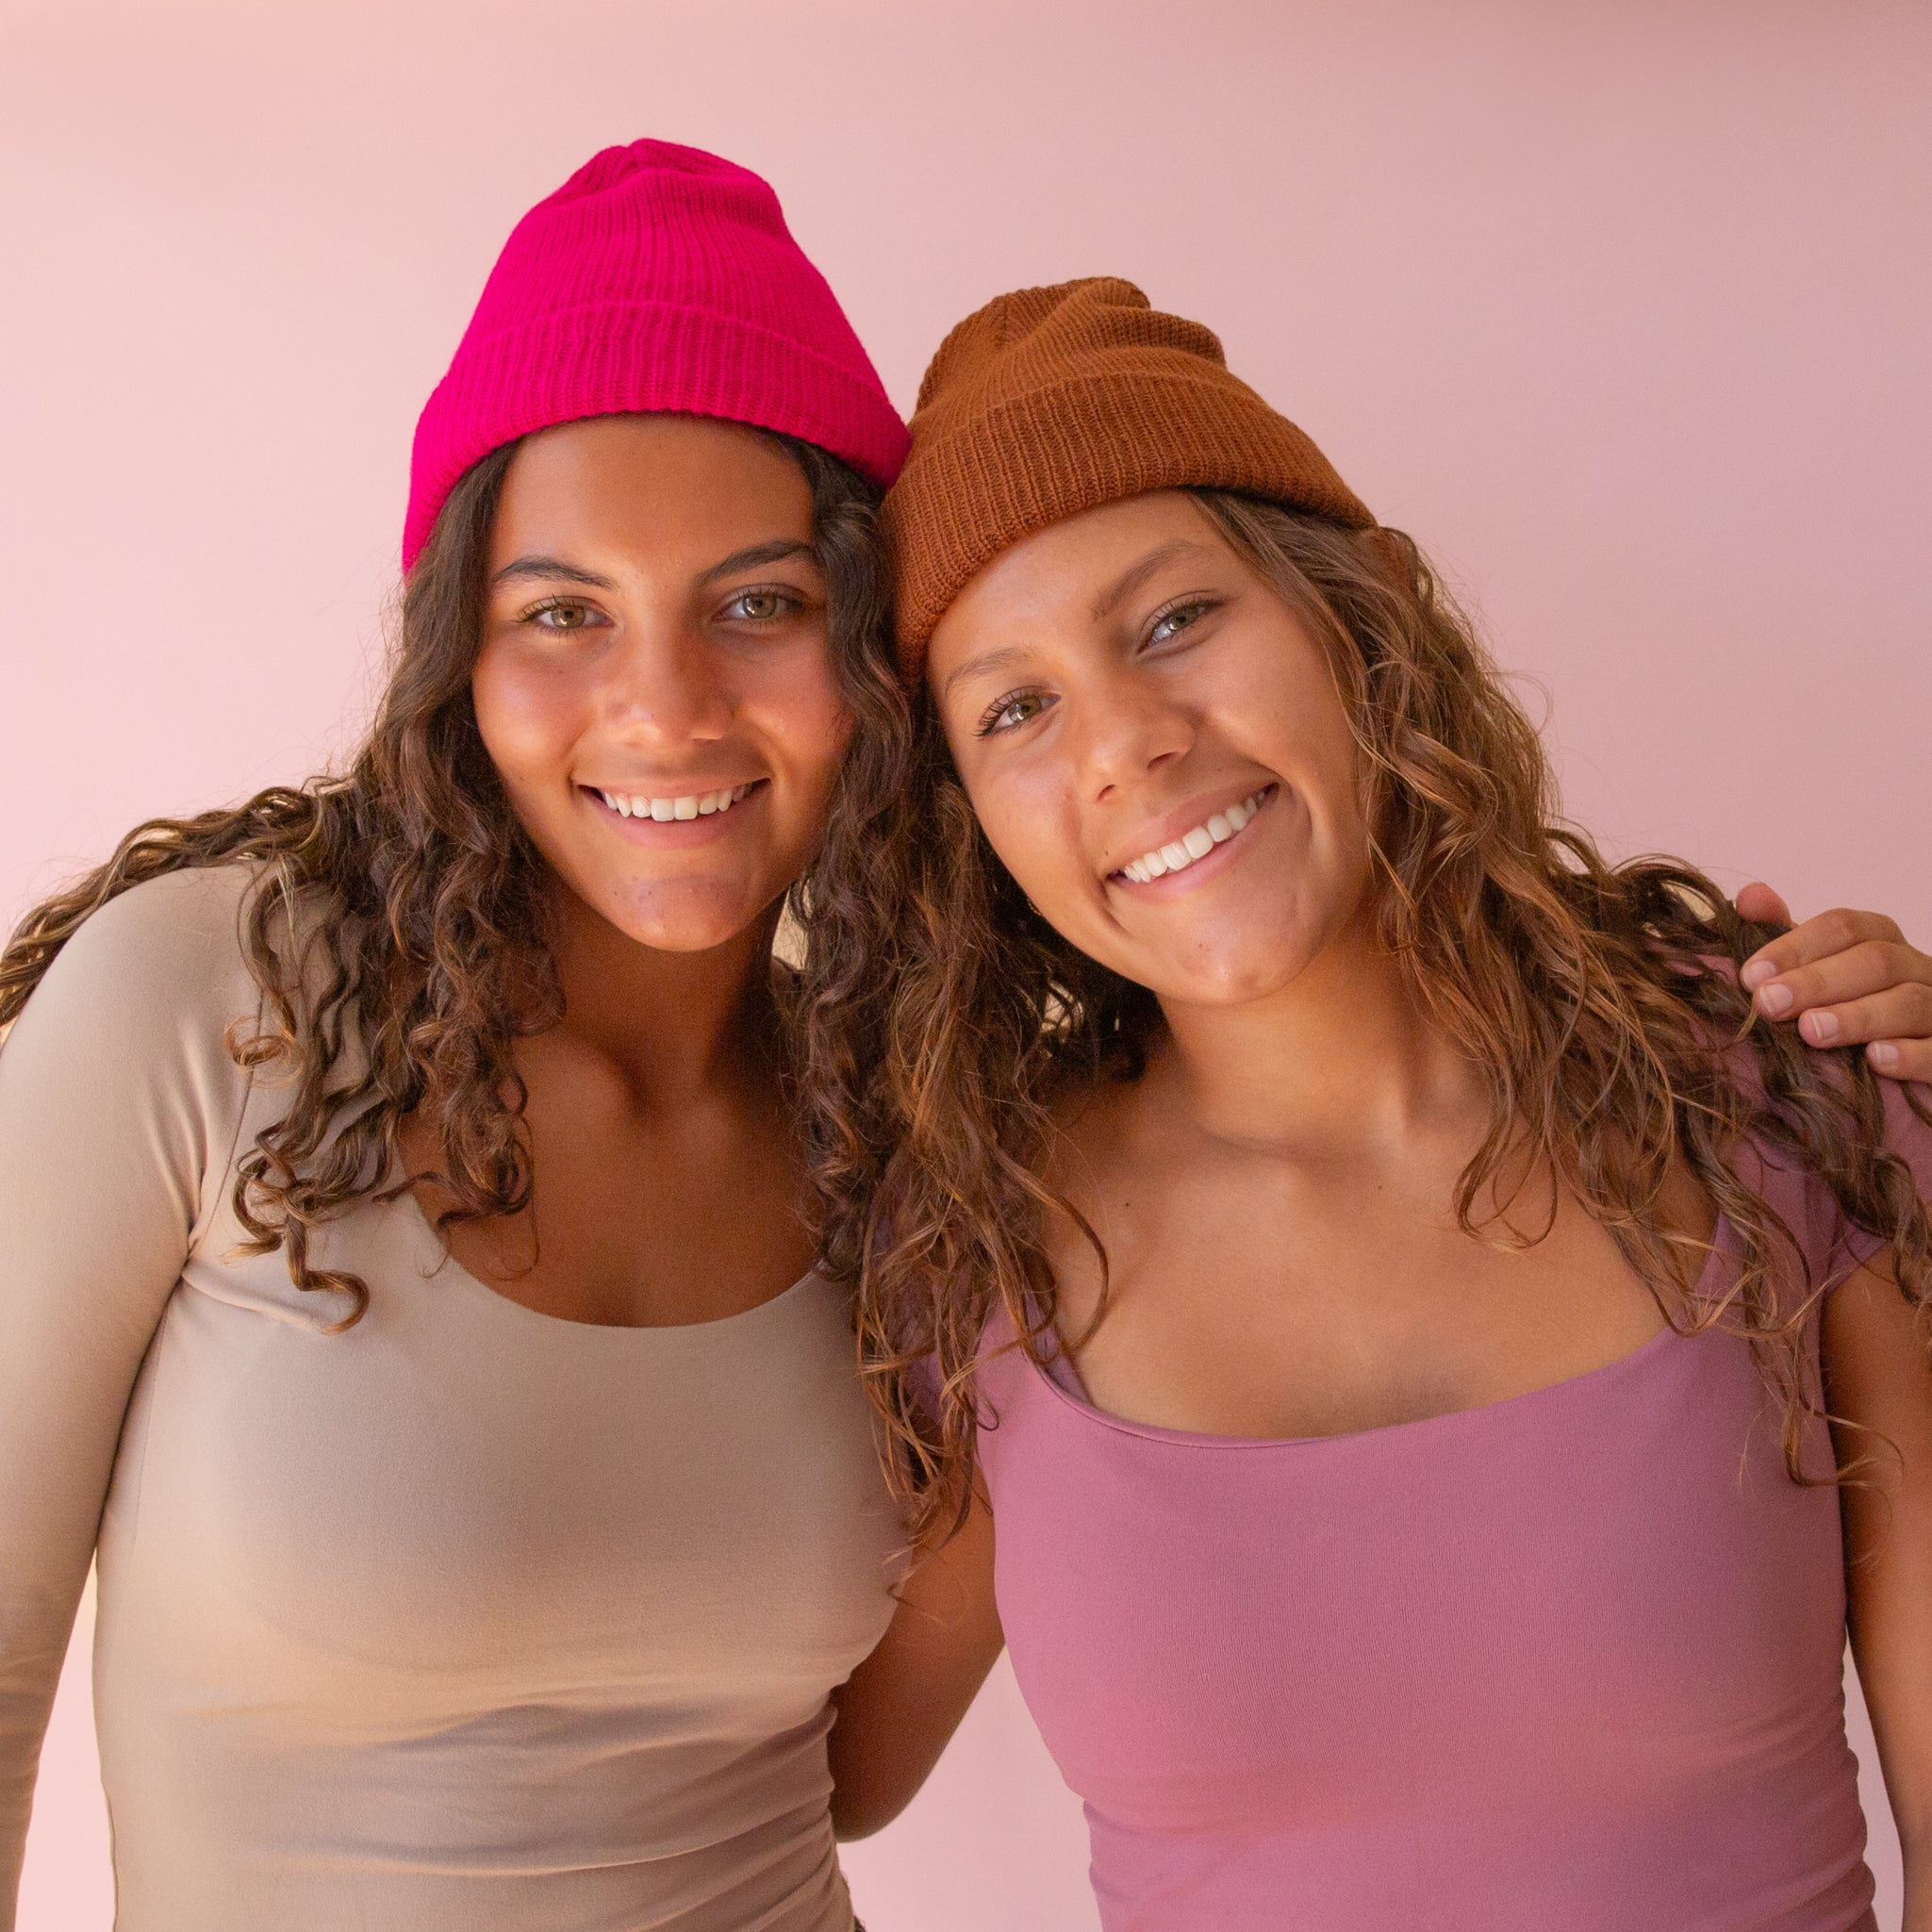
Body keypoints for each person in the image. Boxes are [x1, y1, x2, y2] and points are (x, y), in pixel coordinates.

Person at [815, 279, 1932, 1931]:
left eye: (1176, 618)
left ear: (1364, 610)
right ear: (965, 812)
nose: (1122, 740)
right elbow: (808, 1774)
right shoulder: (977, 1246)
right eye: (1014, 707)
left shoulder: (1774, 1089)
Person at [0, 140, 916, 1931]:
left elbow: (853, 1776)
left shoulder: (899, 1118)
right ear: (455, 662)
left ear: (871, 649)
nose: (665, 705)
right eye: (561, 614)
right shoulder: (203, 1006)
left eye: (760, 603)